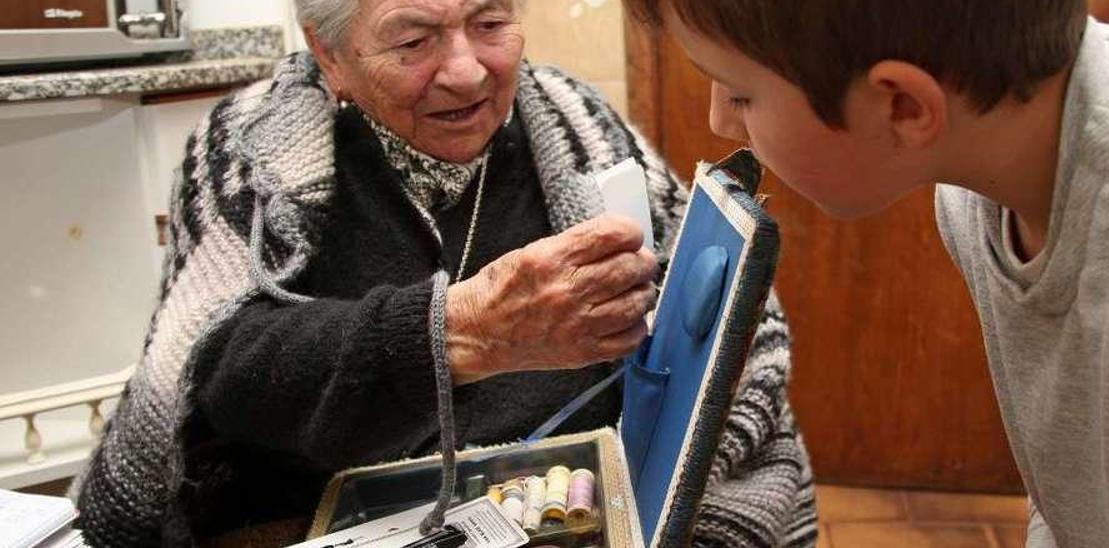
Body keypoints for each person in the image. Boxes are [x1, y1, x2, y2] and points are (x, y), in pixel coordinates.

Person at [70, 1, 817, 545]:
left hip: (572, 505)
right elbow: (219, 373)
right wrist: (461, 333)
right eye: (413, 39)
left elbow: (717, 321)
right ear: (328, 54)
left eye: (491, 23)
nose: (466, 70)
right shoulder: (252, 151)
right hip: (331, 514)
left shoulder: (575, 121)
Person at [623, 0, 1109, 546]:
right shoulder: (978, 187)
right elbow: (1081, 496)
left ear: (904, 107)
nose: (717, 118)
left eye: (740, 93)